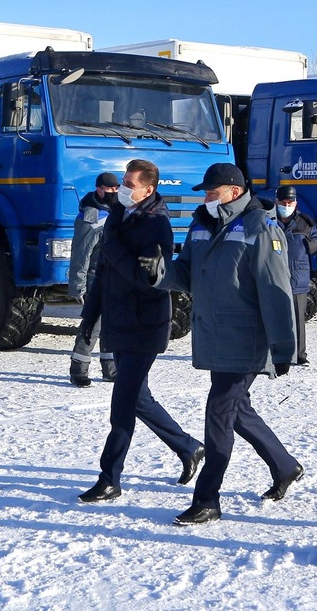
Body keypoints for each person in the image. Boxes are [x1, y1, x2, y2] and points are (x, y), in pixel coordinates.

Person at [143, 162, 302, 526]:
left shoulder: (260, 227)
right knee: (236, 410)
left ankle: (207, 498)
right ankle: (285, 465)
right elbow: (186, 273)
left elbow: (276, 292)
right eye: (205, 192)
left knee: (218, 413)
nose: (206, 197)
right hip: (216, 338)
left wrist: (283, 347)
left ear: (234, 191)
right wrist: (159, 271)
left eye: (212, 192)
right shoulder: (202, 223)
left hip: (247, 341)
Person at [77, 159, 205, 503]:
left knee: (122, 404)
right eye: (122, 181)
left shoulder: (157, 225)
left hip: (145, 325)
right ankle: (189, 447)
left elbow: (149, 280)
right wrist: (89, 318)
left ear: (148, 190)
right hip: (118, 321)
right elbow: (104, 274)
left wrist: (111, 247)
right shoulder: (119, 215)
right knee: (139, 399)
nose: (122, 188)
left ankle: (109, 478)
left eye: (130, 184)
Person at [67, 172, 121, 387]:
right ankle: (78, 369)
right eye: (110, 189)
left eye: (116, 189)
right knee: (93, 324)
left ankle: (111, 369)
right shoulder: (91, 216)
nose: (114, 192)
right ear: (99, 189)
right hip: (95, 279)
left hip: (115, 278)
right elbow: (80, 255)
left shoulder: (116, 210)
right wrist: (77, 287)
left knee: (111, 324)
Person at [274, 185, 317, 365]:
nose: (286, 205)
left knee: (298, 320)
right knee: (273, 317)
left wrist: (311, 246)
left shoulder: (305, 223)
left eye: (290, 202)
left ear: (295, 203)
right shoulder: (269, 221)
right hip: (274, 278)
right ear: (276, 202)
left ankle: (299, 355)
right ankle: (274, 354)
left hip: (297, 277)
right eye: (283, 202)